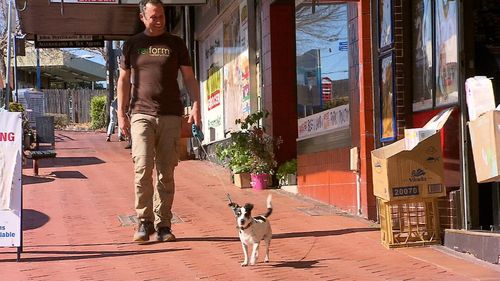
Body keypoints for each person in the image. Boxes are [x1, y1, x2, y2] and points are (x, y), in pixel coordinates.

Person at [117, 0, 201, 242]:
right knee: (142, 168)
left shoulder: (176, 43)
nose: (159, 20)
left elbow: (189, 77)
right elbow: (123, 80)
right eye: (153, 16)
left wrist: (196, 106)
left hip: (171, 114)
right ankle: (144, 222)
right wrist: (121, 114)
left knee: (166, 172)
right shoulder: (132, 44)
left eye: (162, 15)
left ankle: (164, 224)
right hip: (141, 113)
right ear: (142, 17)